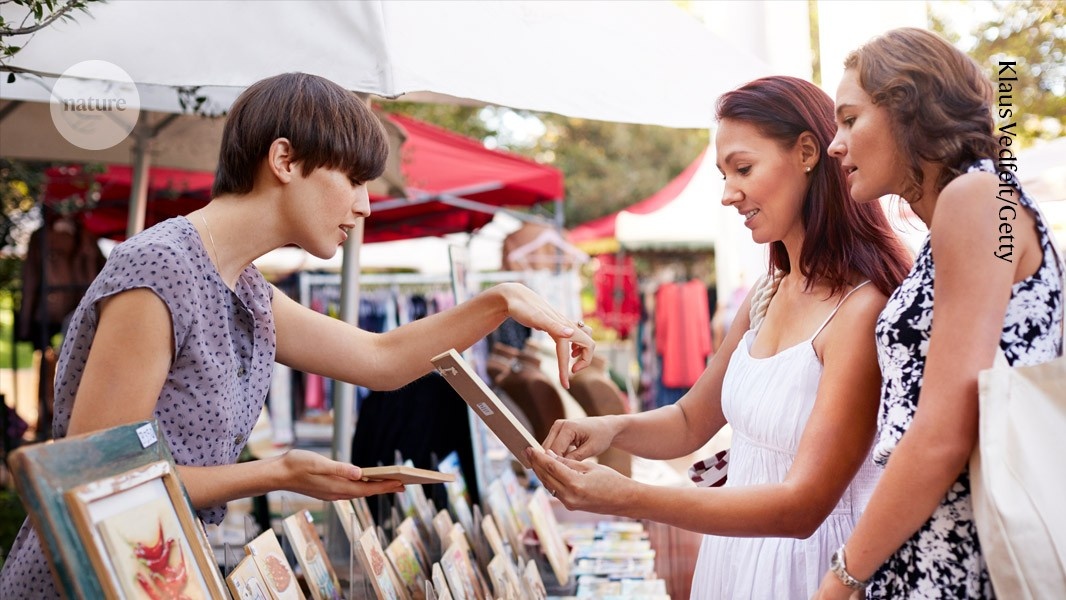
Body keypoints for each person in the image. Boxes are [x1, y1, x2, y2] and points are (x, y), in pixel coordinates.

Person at [0, 72, 594, 598]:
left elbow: (380, 357)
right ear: (284, 160)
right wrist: (278, 474)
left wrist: (502, 301)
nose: (364, 205)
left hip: (154, 567)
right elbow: (99, 482)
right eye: (355, 179)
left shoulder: (245, 287)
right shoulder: (162, 268)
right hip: (84, 577)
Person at [527, 75, 912, 598]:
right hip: (734, 559)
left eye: (743, 168)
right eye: (724, 173)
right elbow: (690, 421)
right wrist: (610, 429)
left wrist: (628, 496)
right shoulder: (768, 291)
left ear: (806, 152)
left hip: (813, 571)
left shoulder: (862, 308)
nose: (729, 194)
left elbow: (803, 506)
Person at [813, 28, 1063, 600]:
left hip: (957, 558)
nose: (835, 144)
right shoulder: (981, 203)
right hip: (939, 545)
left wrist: (842, 576)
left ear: (908, 108)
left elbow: (945, 429)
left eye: (850, 119)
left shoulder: (975, 198)